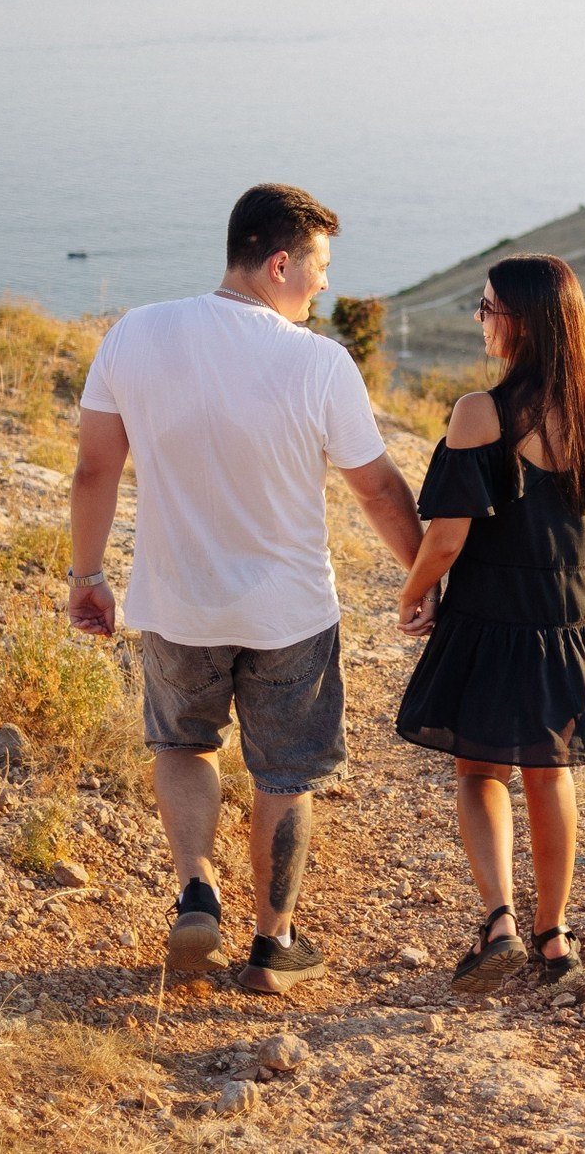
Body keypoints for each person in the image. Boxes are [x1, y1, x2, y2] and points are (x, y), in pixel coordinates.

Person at [67, 182, 422, 993]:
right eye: (320, 268)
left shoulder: (134, 334)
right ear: (279, 262)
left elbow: (95, 468)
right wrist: (424, 578)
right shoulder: (319, 364)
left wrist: (89, 575)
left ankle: (197, 889)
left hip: (175, 600)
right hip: (288, 611)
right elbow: (377, 490)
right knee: (285, 773)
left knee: (185, 744)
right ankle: (274, 942)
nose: (325, 287)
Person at [395, 253, 585, 992]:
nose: (480, 318)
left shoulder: (481, 413)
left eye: (487, 306)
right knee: (550, 771)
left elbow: (446, 537)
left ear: (524, 322)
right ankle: (555, 935)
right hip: (573, 619)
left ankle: (499, 920)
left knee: (479, 771)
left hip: (490, 617)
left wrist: (413, 593)